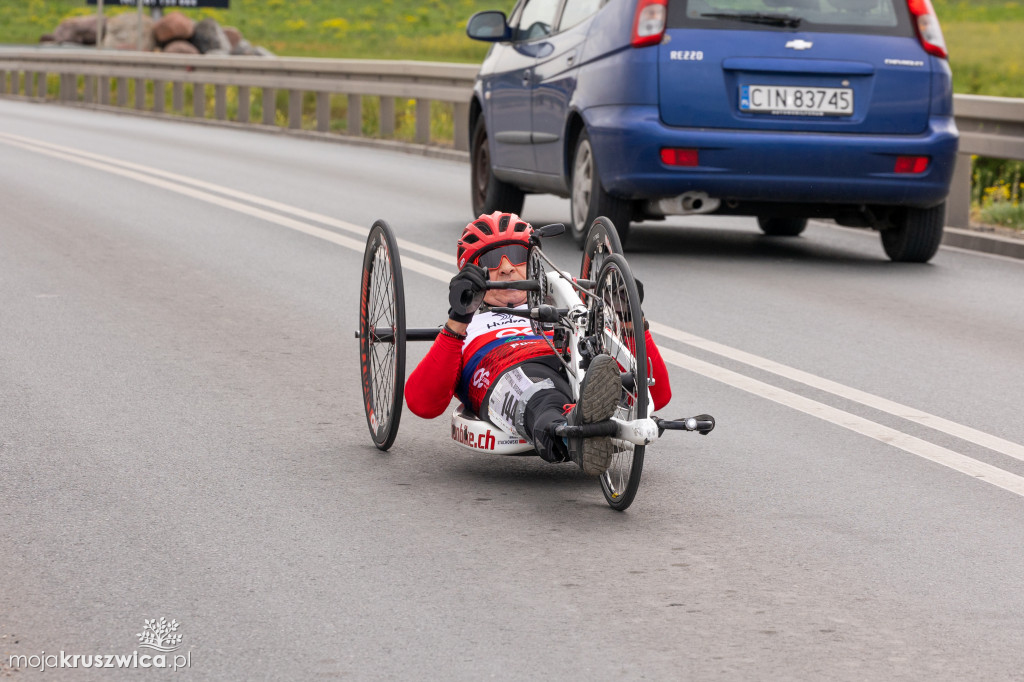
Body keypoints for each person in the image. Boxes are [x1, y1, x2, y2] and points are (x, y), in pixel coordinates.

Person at [405, 212, 672, 475]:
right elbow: (422, 404)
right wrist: (458, 319)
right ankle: (567, 432)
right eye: (493, 260)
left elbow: (659, 395)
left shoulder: (565, 303)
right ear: (471, 271)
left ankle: (590, 412)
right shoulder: (463, 327)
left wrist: (630, 318)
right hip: (505, 367)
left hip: (575, 362)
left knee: (605, 367)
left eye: (517, 255)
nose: (507, 267)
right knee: (536, 390)